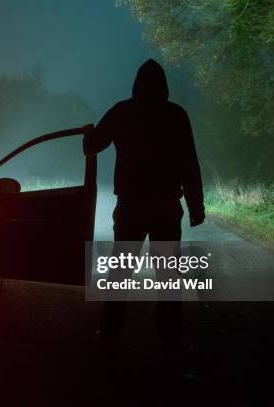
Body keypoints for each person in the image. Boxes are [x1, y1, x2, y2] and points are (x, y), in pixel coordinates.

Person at [83, 59, 205, 354]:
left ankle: (109, 333)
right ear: (164, 86)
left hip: (131, 207)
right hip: (165, 207)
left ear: (136, 84)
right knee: (168, 275)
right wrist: (195, 207)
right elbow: (190, 163)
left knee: (120, 273)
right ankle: (170, 340)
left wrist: (88, 133)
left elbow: (91, 146)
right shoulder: (176, 115)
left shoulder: (122, 111)